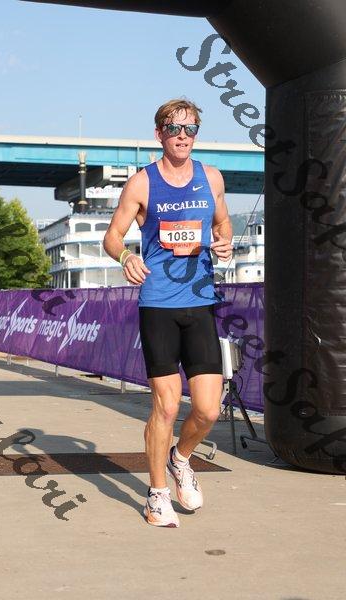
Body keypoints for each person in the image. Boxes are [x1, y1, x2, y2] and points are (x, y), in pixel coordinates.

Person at [103, 98, 233, 527]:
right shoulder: (142, 183)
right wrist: (126, 257)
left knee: (209, 410)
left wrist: (225, 243)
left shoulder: (211, 178)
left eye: (190, 128)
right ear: (159, 134)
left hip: (200, 302)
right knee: (166, 406)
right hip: (158, 303)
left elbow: (223, 224)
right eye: (174, 128)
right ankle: (157, 493)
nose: (183, 136)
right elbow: (112, 236)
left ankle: (181, 458)